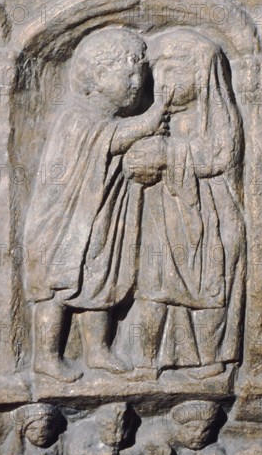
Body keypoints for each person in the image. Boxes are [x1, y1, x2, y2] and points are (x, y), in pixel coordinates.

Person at [23, 27, 170, 382]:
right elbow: (110, 140)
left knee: (100, 281)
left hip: (101, 220)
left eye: (141, 74)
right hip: (65, 226)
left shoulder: (109, 122)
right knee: (57, 290)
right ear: (97, 77)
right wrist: (151, 119)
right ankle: (45, 356)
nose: (137, 83)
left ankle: (97, 350)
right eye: (128, 73)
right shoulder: (79, 120)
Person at [117, 29, 246, 377]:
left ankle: (210, 359)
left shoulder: (219, 115)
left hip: (209, 218)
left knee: (210, 290)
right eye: (157, 70)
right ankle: (145, 361)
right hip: (160, 214)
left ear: (202, 73)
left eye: (174, 69)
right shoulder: (153, 117)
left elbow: (219, 155)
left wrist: (167, 153)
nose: (161, 80)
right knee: (153, 289)